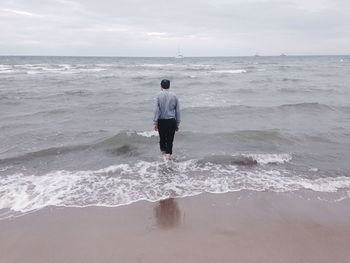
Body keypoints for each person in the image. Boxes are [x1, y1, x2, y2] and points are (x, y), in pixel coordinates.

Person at [153, 79, 180, 160]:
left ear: (161, 86)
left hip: (161, 121)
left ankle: (164, 157)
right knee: (170, 139)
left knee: (162, 139)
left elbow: (156, 110)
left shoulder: (158, 96)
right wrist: (177, 123)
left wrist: (155, 122)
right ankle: (169, 156)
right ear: (169, 86)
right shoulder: (174, 96)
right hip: (171, 121)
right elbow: (177, 110)